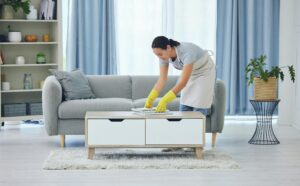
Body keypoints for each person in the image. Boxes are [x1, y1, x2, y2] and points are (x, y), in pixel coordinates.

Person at [145, 36, 216, 116]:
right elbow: (162, 79)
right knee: (185, 103)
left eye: (160, 54)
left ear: (168, 47)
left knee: (200, 103)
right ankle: (183, 127)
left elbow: (183, 83)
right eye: (157, 55)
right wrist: (151, 98)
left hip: (204, 72)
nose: (159, 57)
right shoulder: (163, 57)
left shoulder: (187, 52)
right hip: (191, 73)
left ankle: (198, 128)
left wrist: (165, 100)